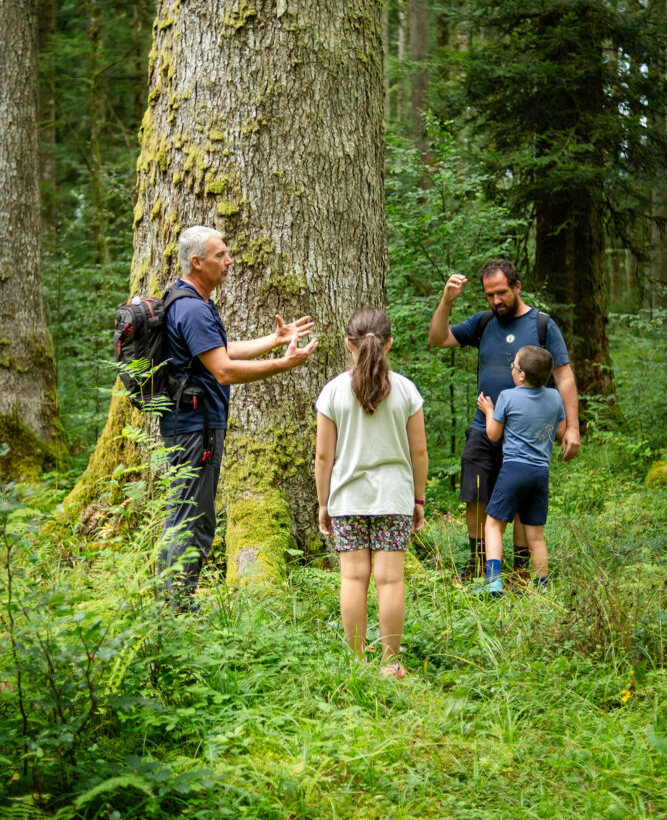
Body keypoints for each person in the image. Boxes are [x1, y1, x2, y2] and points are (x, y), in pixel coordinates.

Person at [158, 225, 318, 608]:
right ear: (197, 262)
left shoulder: (187, 299)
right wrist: (284, 364)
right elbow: (224, 370)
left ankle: (171, 601)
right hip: (195, 428)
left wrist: (274, 341)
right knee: (194, 518)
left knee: (188, 512)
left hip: (192, 424)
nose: (229, 262)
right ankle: (174, 608)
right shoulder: (193, 308)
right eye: (220, 256)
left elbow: (219, 350)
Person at [428, 258, 579, 582]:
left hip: (525, 432)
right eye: (489, 295)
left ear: (517, 287)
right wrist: (446, 302)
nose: (496, 301)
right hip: (485, 428)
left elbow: (563, 377)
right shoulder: (483, 324)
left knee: (523, 497)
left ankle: (522, 568)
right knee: (476, 491)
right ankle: (478, 561)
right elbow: (439, 338)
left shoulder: (541, 324)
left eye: (501, 293)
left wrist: (573, 428)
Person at [315, 307, 428, 678]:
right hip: (394, 498)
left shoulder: (332, 392)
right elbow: (419, 453)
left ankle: (356, 664)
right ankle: (391, 663)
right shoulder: (407, 390)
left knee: (353, 578)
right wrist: (418, 499)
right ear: (390, 343)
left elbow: (323, 456)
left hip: (346, 499)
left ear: (348, 344)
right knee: (391, 580)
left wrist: (323, 503)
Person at [475, 345, 566, 594]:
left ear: (522, 375)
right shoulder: (555, 398)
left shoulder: (508, 396)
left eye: (514, 366)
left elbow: (493, 435)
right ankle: (542, 587)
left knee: (493, 524)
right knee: (536, 536)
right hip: (540, 473)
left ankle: (493, 581)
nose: (512, 369)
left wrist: (489, 411)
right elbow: (560, 431)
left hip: (514, 469)